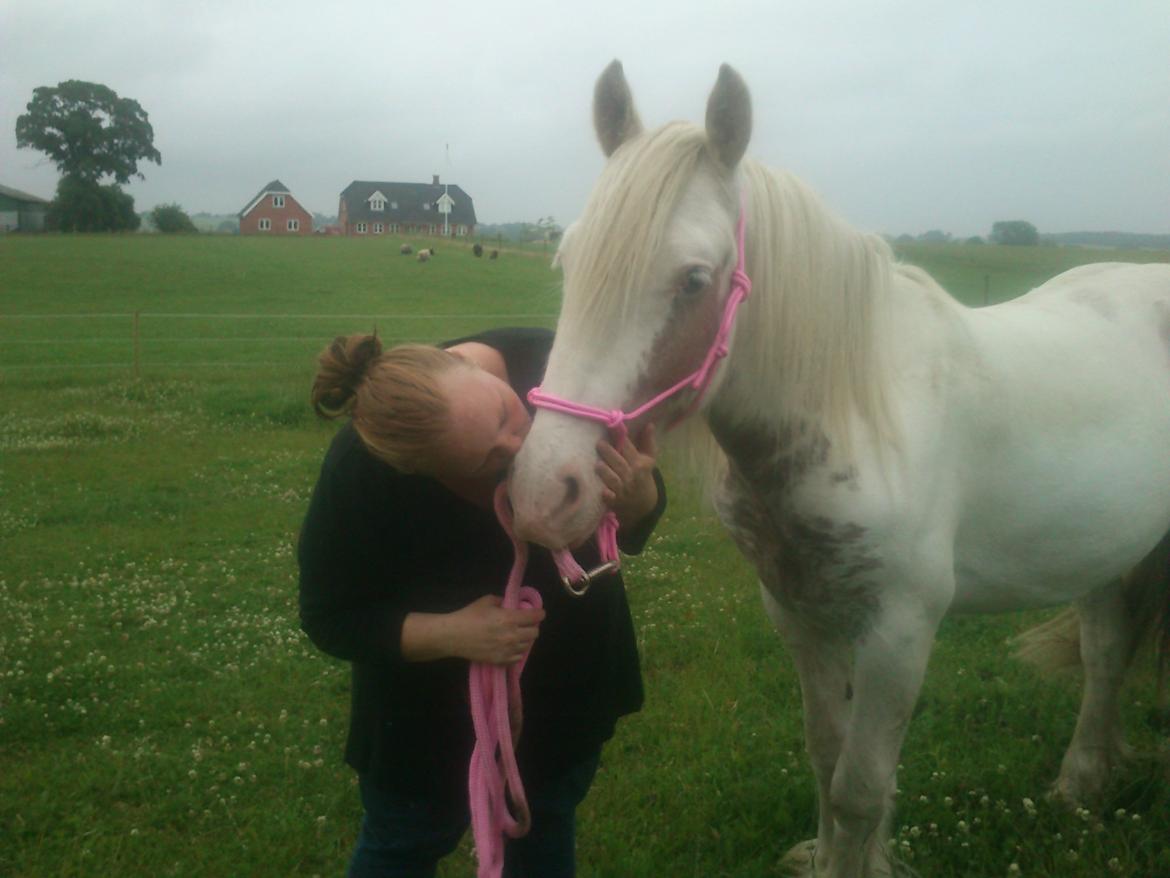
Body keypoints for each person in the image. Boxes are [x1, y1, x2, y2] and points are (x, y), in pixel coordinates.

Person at [297, 326, 665, 878]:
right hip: (425, 725)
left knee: (543, 830)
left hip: (566, 692)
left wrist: (641, 499)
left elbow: (634, 507)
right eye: (485, 464)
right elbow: (330, 614)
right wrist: (452, 633)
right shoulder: (363, 464)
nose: (518, 449)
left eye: (505, 415)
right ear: (418, 470)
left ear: (474, 369)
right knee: (404, 842)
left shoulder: (565, 366)